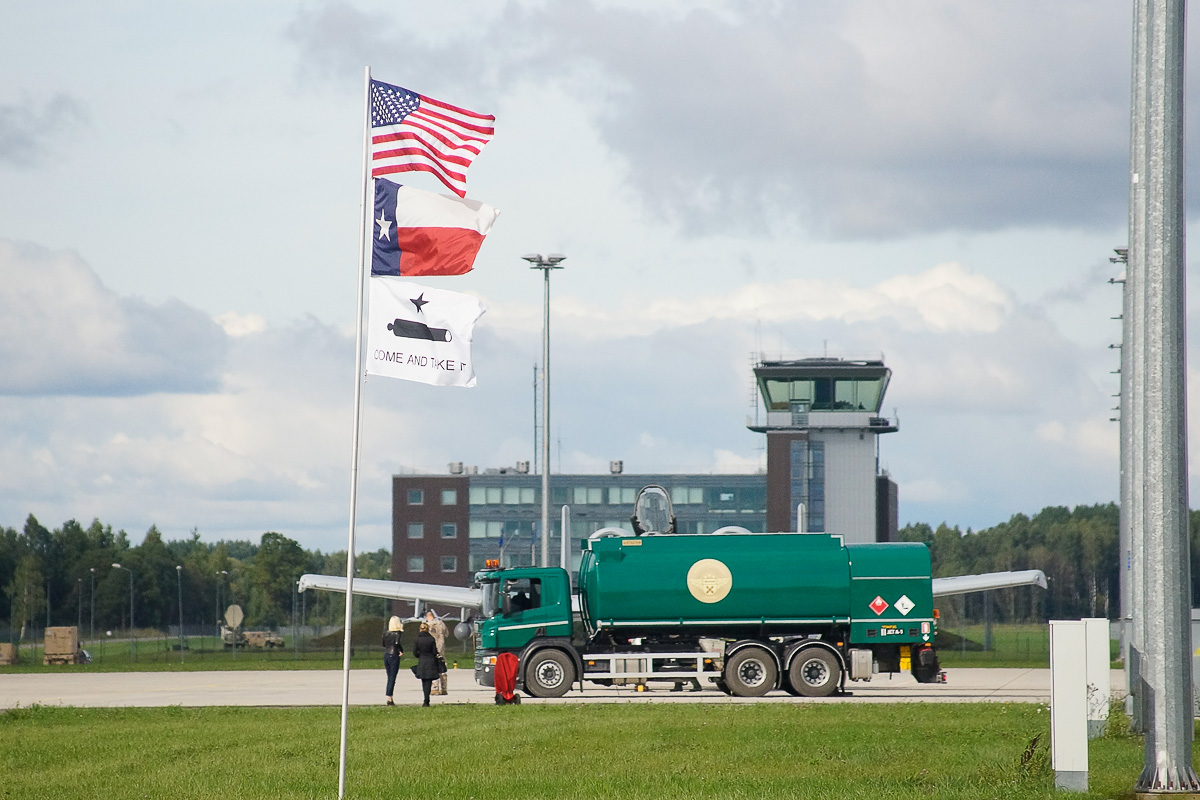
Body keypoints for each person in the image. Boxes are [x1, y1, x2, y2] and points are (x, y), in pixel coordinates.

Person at [412, 622, 440, 707]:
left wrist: (420, 656)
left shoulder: (417, 639)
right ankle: (426, 700)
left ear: (420, 629)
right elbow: (435, 652)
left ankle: (426, 699)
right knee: (429, 681)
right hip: (430, 661)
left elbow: (414, 652)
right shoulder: (431, 639)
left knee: (424, 681)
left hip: (422, 661)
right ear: (428, 629)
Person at [424, 610, 449, 695]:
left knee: (434, 668)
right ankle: (444, 688)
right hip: (441, 648)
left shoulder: (427, 625)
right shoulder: (441, 624)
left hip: (432, 649)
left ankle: (435, 688)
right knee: (443, 668)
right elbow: (447, 634)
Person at [381, 616, 404, 706]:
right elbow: (397, 643)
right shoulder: (397, 634)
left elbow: (383, 644)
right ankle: (389, 698)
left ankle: (390, 697)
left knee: (389, 676)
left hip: (387, 654)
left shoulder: (385, 633)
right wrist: (401, 650)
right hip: (394, 655)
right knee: (392, 677)